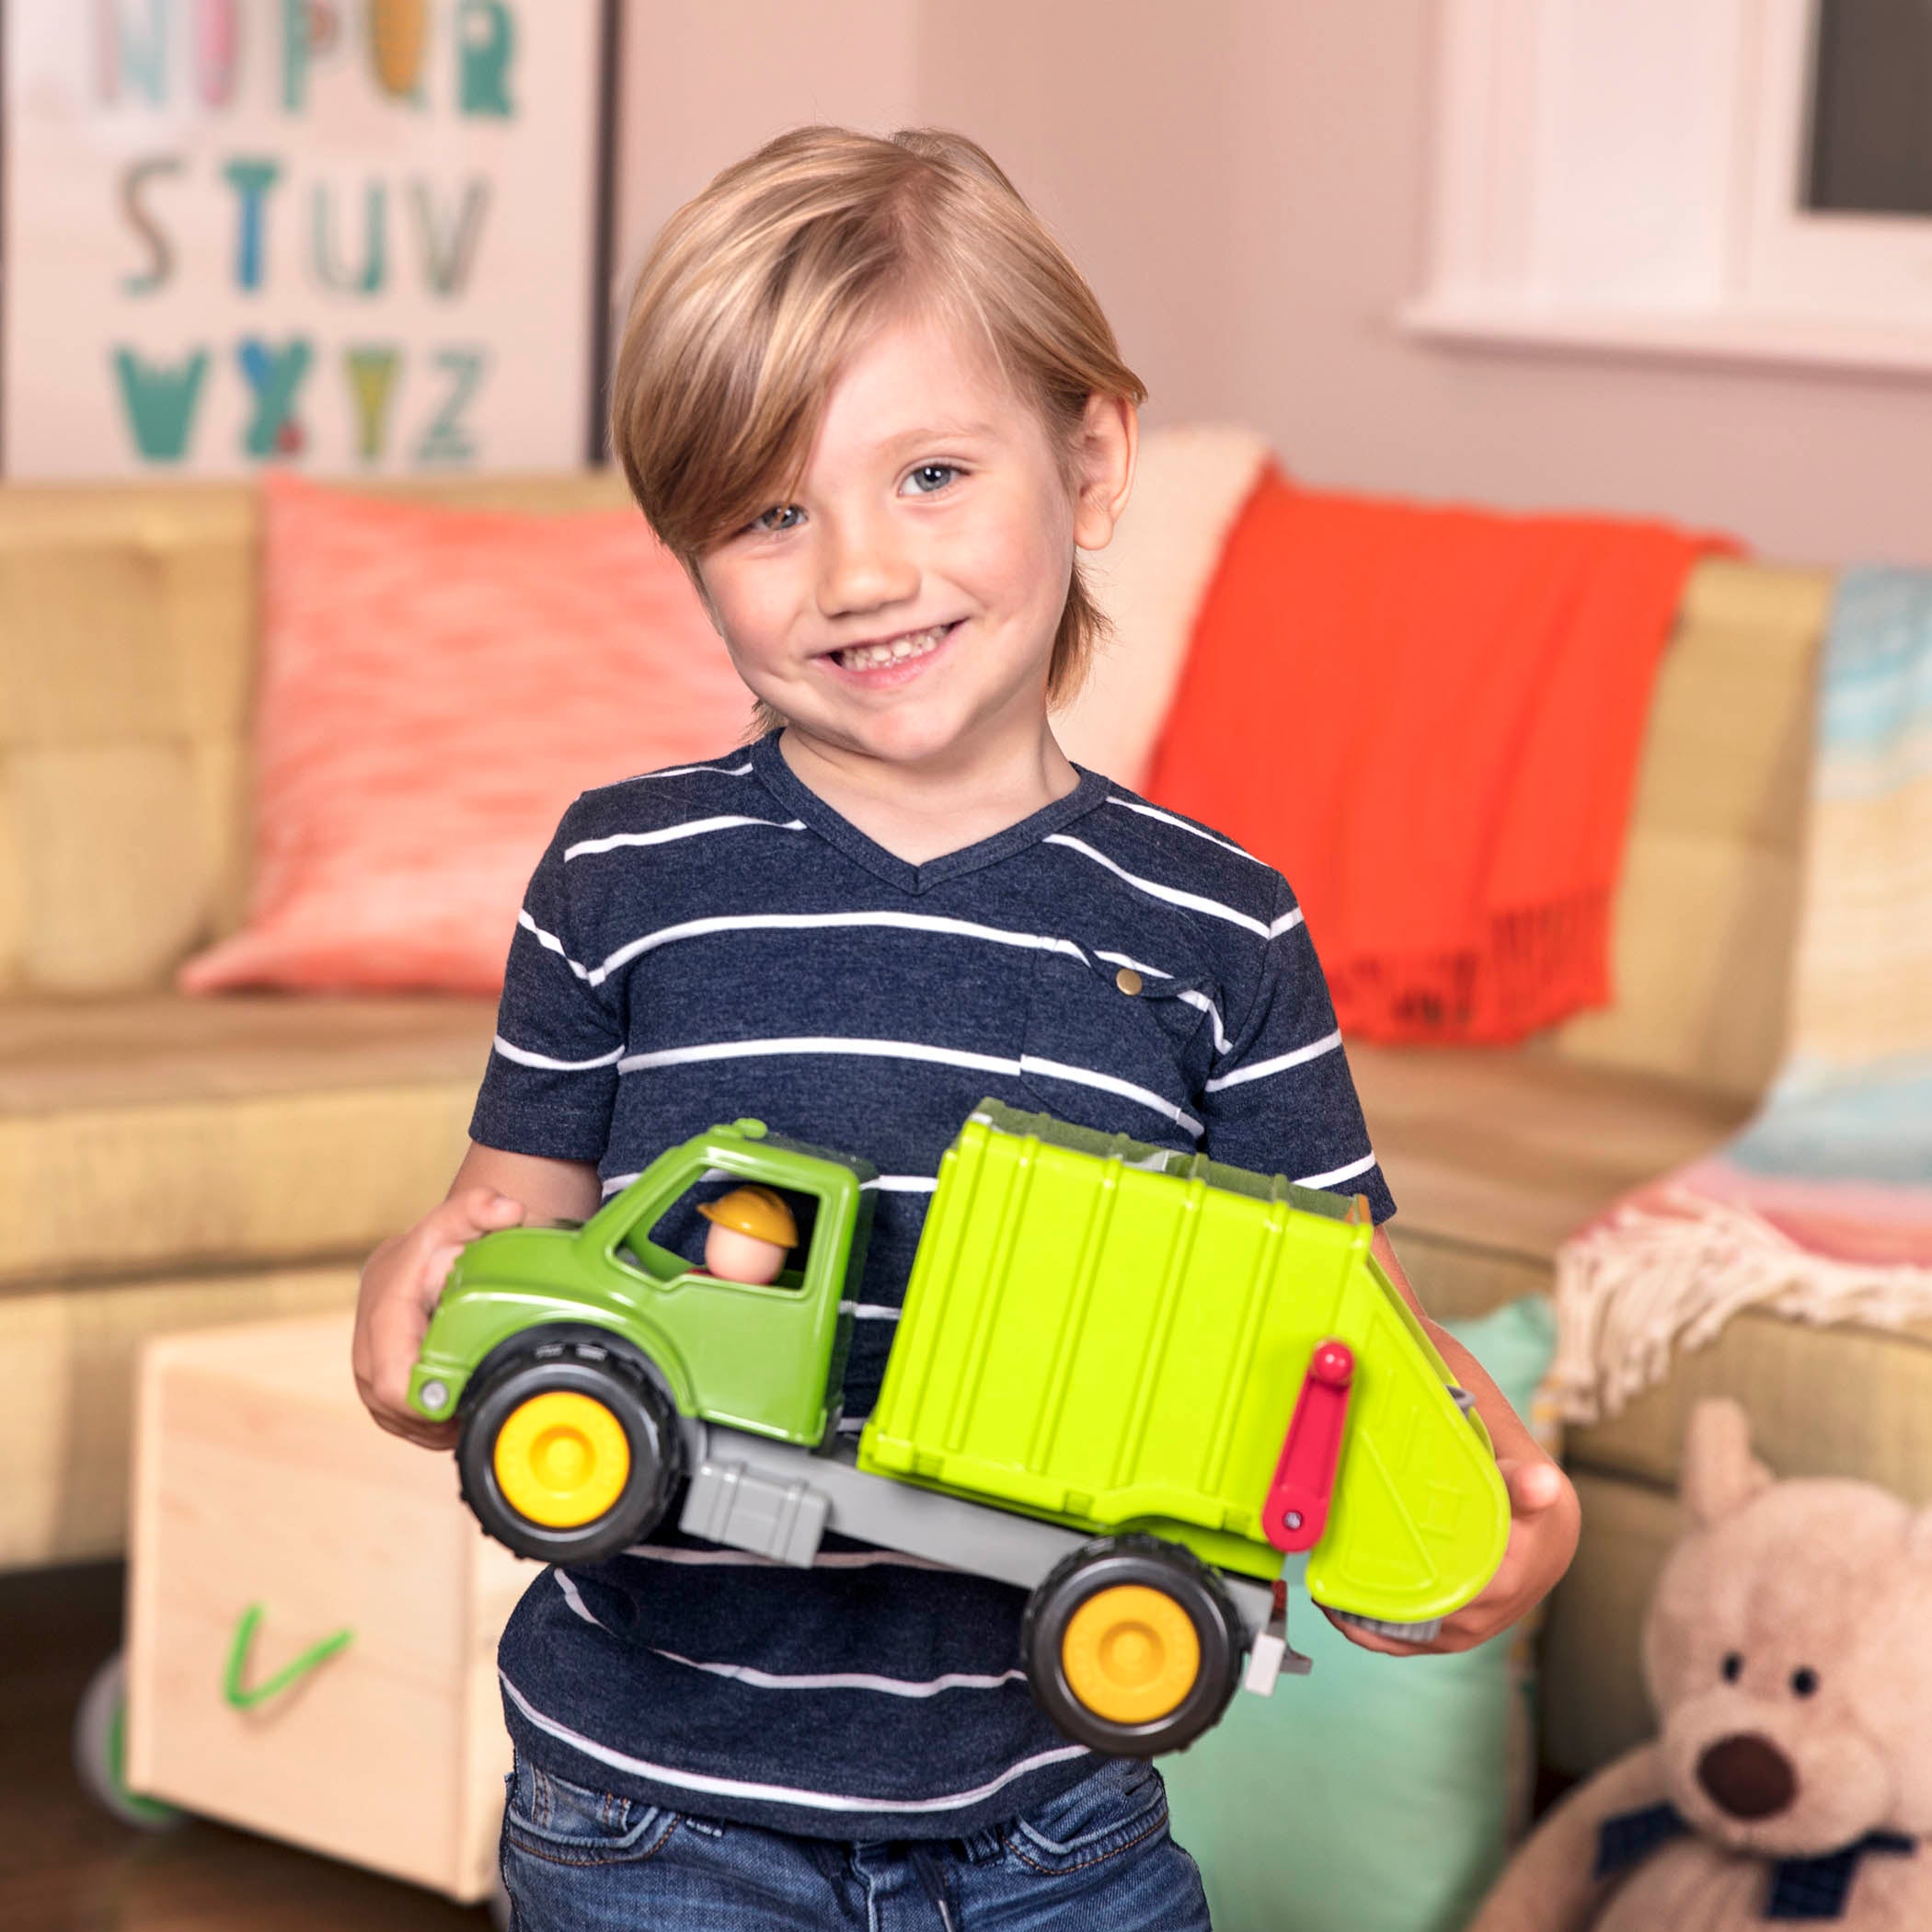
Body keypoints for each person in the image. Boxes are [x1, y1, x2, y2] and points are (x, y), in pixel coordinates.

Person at [352, 124, 1581, 1931]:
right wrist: (414, 1297)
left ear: (1090, 463)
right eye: (771, 513)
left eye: (930, 473)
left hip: (1052, 1830)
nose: (857, 569)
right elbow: (508, 1230)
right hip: (647, 1817)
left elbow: (1352, 1327)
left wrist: (1480, 1502)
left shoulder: (1215, 925)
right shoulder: (626, 872)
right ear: (689, 551)